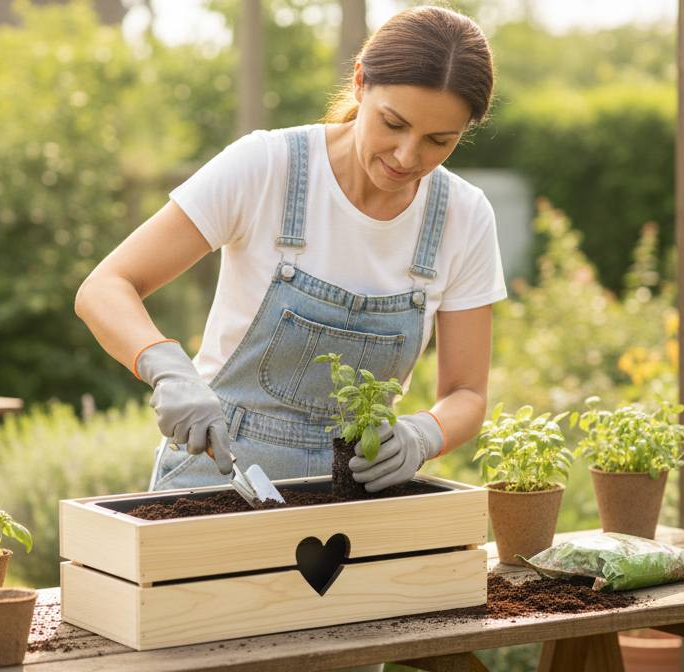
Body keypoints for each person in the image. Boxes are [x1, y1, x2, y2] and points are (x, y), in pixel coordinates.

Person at [76, 4, 504, 503]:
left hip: (355, 499)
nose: (408, 157)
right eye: (393, 124)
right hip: (217, 481)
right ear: (361, 82)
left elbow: (467, 395)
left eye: (438, 140)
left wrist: (424, 433)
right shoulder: (268, 167)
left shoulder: (463, 216)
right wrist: (166, 368)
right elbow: (105, 287)